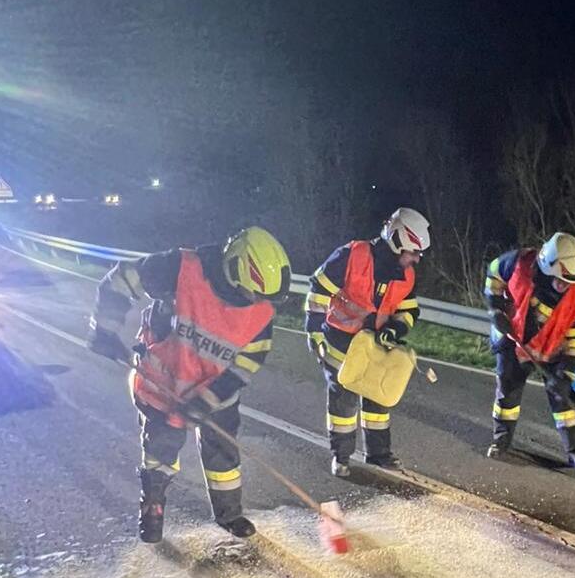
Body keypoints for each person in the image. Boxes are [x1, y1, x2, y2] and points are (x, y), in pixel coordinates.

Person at [88, 226, 289, 543]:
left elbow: (246, 364)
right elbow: (123, 279)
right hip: (162, 386)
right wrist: (105, 329)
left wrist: (207, 399)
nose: (258, 302)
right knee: (160, 449)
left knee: (223, 456)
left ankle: (229, 515)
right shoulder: (181, 269)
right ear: (235, 271)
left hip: (215, 394)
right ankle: (152, 507)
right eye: (254, 293)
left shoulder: (261, 312)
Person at [304, 208, 429, 477]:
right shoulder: (351, 255)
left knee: (377, 399)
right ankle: (341, 457)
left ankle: (379, 454)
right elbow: (319, 291)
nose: (416, 259)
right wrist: (314, 331)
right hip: (340, 342)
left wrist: (395, 329)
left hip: (376, 344)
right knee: (343, 402)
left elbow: (408, 310)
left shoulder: (406, 275)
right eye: (414, 253)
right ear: (397, 242)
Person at [483, 232, 575, 469]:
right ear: (548, 267)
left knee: (564, 400)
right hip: (513, 340)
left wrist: (566, 373)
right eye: (562, 281)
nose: (565, 287)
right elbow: (493, 273)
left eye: (570, 283)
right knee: (508, 390)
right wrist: (495, 309)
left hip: (552, 348)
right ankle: (501, 440)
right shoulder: (517, 264)